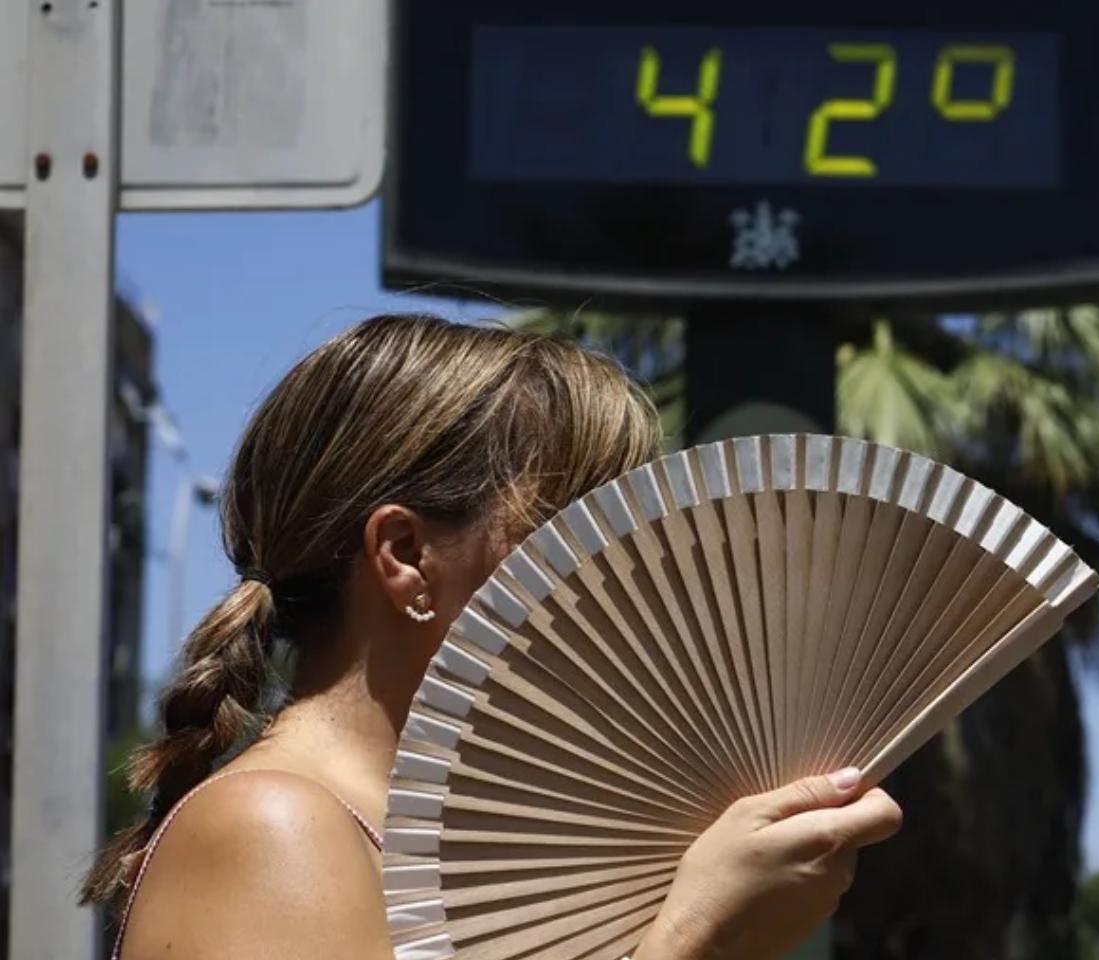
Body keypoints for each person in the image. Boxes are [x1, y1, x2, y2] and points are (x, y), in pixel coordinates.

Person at [83, 314, 903, 960]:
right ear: (406, 556)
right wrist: (698, 939)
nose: (629, 578)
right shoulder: (275, 830)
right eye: (578, 534)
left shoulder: (469, 852)